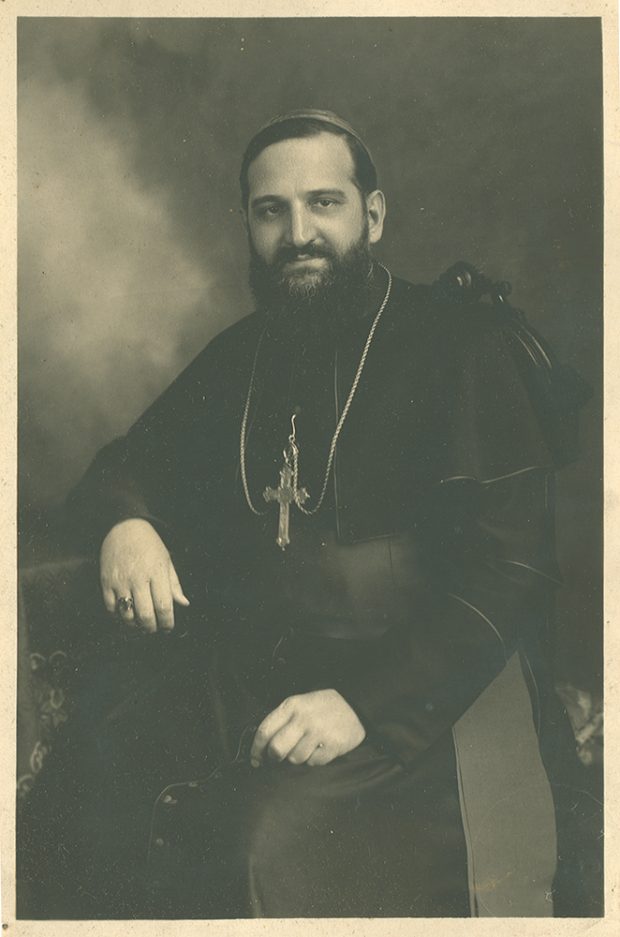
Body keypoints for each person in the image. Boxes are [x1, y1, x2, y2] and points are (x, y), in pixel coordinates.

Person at [19, 109, 592, 919]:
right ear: (248, 225)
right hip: (268, 666)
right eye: (270, 210)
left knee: (258, 848)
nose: (299, 234)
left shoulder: (462, 344)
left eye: (324, 203)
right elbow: (127, 463)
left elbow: (514, 573)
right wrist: (127, 523)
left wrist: (363, 704)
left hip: (423, 689)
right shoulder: (244, 351)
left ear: (375, 215)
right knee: (93, 778)